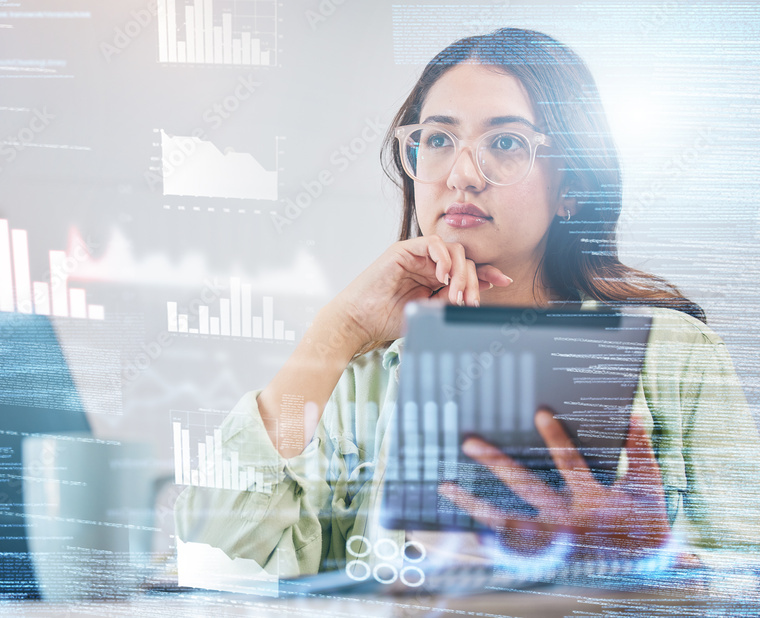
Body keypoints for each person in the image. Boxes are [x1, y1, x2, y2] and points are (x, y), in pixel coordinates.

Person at [175, 27, 760, 582]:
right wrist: (338, 329)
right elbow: (218, 546)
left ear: (573, 189)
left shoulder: (674, 355)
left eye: (506, 143)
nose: (461, 174)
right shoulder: (364, 370)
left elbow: (745, 586)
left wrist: (643, 570)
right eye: (437, 140)